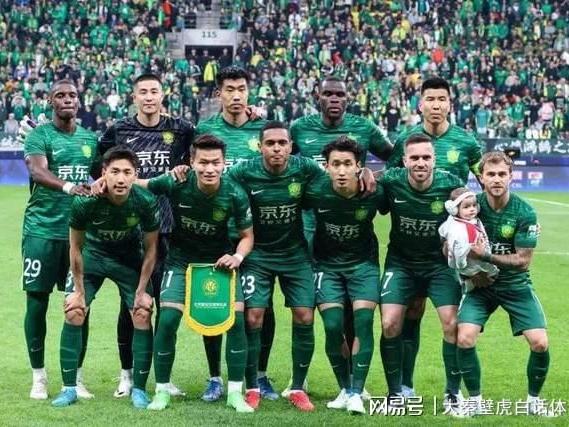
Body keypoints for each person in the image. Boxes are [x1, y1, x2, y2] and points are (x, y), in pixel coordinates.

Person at [290, 75, 393, 399]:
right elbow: (283, 158)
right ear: (317, 95)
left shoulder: (363, 127)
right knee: (304, 308)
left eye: (340, 94)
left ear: (347, 98)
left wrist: (371, 173)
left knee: (352, 312)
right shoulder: (299, 128)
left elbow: (394, 159)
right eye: (328, 93)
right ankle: (299, 378)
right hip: (309, 230)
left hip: (349, 231)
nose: (334, 99)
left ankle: (351, 383)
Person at [138, 135, 255, 413]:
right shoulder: (176, 182)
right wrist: (107, 181)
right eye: (203, 162)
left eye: (215, 162)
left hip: (219, 264)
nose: (209, 169)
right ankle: (162, 391)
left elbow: (247, 236)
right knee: (167, 319)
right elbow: (142, 184)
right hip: (181, 262)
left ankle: (235, 393)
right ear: (191, 162)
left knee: (236, 321)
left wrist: (237, 257)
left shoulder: (235, 193)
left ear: (224, 164)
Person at [98, 73, 194, 398]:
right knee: (131, 305)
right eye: (143, 92)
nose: (149, 97)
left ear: (163, 95)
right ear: (134, 97)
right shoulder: (118, 131)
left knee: (167, 307)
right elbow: (98, 166)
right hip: (131, 232)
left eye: (154, 91)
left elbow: (205, 151)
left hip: (168, 229)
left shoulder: (181, 129)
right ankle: (126, 375)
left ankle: (164, 378)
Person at [386, 77, 483, 397]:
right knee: (411, 313)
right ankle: (404, 386)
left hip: (446, 253)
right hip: (406, 252)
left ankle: (452, 392)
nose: (436, 105)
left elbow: (485, 181)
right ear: (421, 104)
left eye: (442, 99)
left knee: (451, 322)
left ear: (450, 104)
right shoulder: (405, 140)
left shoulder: (466, 142)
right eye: (430, 99)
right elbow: (388, 182)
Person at [227, 121, 325, 412]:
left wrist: (366, 173)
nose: (277, 148)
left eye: (282, 143)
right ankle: (252, 387)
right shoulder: (243, 171)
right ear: (260, 147)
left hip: (295, 255)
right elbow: (221, 189)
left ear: (291, 146)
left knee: (305, 316)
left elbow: (332, 181)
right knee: (253, 317)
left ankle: (298, 388)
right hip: (257, 255)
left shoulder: (304, 168)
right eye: (270, 143)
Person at [51, 146, 159, 408]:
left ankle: (139, 389)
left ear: (135, 175)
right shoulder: (85, 201)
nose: (120, 179)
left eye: (127, 172)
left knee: (142, 312)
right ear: (104, 173)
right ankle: (69, 388)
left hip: (128, 259)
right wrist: (78, 291)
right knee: (74, 310)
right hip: (93, 257)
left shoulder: (145, 201)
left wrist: (142, 291)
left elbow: (151, 249)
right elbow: (75, 247)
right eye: (115, 172)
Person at [194, 66, 278, 402]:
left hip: (257, 233)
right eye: (229, 89)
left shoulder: (264, 129)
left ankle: (260, 375)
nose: (236, 95)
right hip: (215, 233)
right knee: (214, 304)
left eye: (242, 88)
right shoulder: (205, 130)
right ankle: (215, 377)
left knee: (261, 307)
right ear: (219, 94)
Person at [456, 151, 551, 416]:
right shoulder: (470, 206)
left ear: (511, 177)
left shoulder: (524, 212)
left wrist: (485, 256)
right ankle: (475, 402)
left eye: (501, 174)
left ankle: (533, 402)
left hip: (515, 285)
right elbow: (449, 245)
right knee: (464, 337)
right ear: (481, 178)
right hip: (480, 287)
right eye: (491, 174)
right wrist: (468, 273)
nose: (496, 179)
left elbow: (523, 261)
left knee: (540, 343)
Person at [378, 134, 464, 416]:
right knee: (390, 323)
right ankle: (396, 392)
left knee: (452, 324)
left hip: (439, 267)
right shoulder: (392, 180)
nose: (420, 163)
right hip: (401, 264)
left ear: (434, 160)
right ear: (404, 161)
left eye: (426, 157)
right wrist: (365, 173)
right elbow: (369, 180)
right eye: (414, 158)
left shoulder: (450, 184)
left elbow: (472, 213)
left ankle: (453, 394)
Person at [22, 79, 96, 401]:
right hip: (41, 231)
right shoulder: (40, 135)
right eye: (60, 95)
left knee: (80, 303)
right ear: (51, 101)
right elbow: (38, 172)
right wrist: (69, 187)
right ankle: (38, 377)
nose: (67, 100)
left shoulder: (89, 139)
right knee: (37, 302)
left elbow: (105, 174)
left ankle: (76, 377)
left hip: (78, 234)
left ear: (79, 102)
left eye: (72, 95)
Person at [303, 136, 384, 414]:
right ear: (326, 166)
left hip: (364, 265)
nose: (341, 170)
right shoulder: (315, 190)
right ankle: (345, 388)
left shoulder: (374, 191)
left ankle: (357, 391)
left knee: (363, 322)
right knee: (333, 326)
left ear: (358, 166)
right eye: (335, 164)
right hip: (326, 266)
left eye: (347, 164)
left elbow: (399, 182)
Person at [438, 187, 499, 292]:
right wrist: (462, 266)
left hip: (467, 263)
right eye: (466, 207)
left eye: (474, 205)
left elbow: (441, 231)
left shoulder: (453, 220)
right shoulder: (465, 230)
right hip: (472, 264)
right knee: (493, 273)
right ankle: (467, 283)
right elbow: (461, 253)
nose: (472, 209)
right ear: (454, 209)